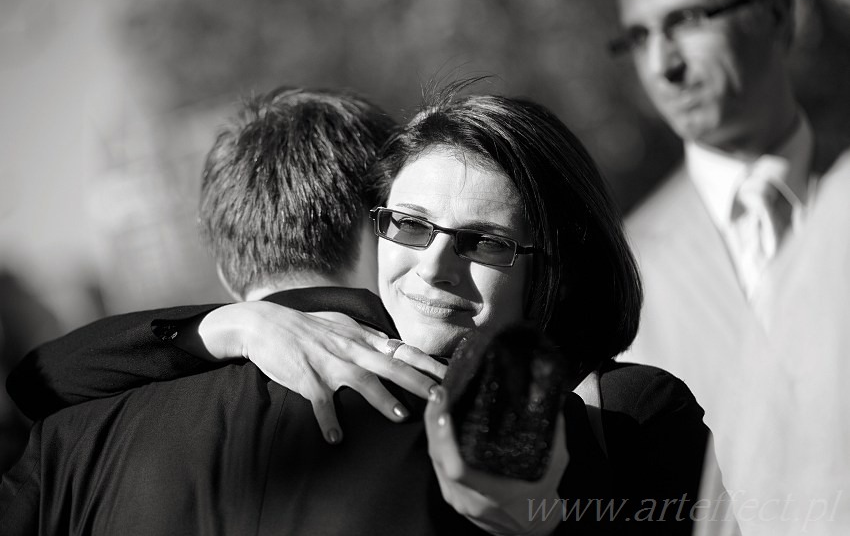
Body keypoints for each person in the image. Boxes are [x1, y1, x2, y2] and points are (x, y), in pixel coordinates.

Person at [5, 83, 713, 534]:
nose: (433, 264)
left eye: (483, 241)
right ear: (370, 229)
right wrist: (221, 327)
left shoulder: (611, 417)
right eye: (408, 224)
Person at [610, 0, 850, 532]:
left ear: (778, 13)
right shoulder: (621, 269)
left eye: (686, 21)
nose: (663, 66)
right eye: (639, 37)